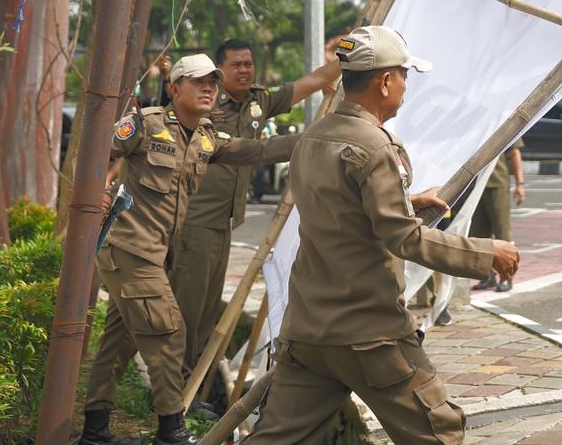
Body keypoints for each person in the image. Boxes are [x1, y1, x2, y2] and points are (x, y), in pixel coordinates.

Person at [245, 26, 520, 444]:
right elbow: (404, 239)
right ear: (385, 81)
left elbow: (343, 214)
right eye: (405, 76)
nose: (407, 87)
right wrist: (487, 254)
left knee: (278, 439)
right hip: (369, 335)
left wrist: (407, 201)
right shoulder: (373, 147)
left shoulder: (311, 139)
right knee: (439, 431)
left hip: (310, 332)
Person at [81, 54, 302, 445]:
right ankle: (171, 430)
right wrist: (95, 192)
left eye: (212, 83)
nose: (208, 89)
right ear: (174, 87)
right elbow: (98, 147)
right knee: (169, 334)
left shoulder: (205, 136)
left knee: (119, 342)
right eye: (198, 81)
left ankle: (94, 432)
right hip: (130, 250)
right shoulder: (146, 124)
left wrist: (313, 139)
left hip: (153, 256)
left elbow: (258, 151)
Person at [168, 39, 341, 392]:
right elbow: (252, 151)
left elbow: (316, 78)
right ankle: (172, 397)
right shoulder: (203, 105)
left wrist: (355, 48)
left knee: (205, 315)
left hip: (223, 223)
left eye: (249, 63)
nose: (245, 70)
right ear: (220, 72)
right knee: (186, 312)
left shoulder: (259, 101)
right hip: (193, 221)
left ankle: (195, 392)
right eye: (236, 65)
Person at [472, 139, 526, 292]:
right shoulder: (473, 125)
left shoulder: (502, 118)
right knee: (478, 235)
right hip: (475, 186)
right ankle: (487, 275)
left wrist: (520, 184)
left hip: (497, 184)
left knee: (502, 232)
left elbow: (515, 152)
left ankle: (506, 277)